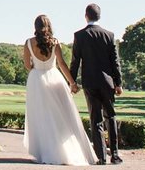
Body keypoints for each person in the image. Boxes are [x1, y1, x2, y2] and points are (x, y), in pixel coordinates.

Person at [22, 14, 98, 166]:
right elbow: (62, 64)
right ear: (49, 26)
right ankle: (63, 149)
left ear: (35, 27)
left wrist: (36, 69)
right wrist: (72, 83)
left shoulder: (29, 43)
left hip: (36, 79)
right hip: (54, 77)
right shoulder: (55, 42)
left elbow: (26, 64)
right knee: (61, 115)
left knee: (41, 116)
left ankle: (45, 151)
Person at [69, 3, 124, 165]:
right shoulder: (109, 35)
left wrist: (72, 82)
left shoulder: (79, 36)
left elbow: (75, 62)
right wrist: (118, 82)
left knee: (96, 120)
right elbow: (115, 61)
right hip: (108, 83)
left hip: (90, 83)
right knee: (111, 117)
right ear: (99, 16)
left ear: (86, 16)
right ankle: (115, 154)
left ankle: (101, 156)